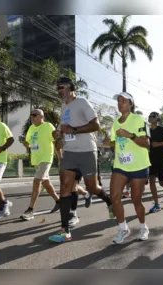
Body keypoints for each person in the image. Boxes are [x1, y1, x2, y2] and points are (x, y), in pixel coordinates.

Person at [49, 77, 113, 243]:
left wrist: (74, 130)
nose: (59, 90)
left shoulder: (82, 102)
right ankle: (65, 230)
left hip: (86, 151)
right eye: (57, 88)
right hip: (69, 152)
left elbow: (96, 125)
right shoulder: (64, 106)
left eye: (61, 87)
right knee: (65, 187)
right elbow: (61, 130)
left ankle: (109, 201)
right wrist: (57, 134)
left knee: (92, 187)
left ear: (71, 87)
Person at [106, 92, 151, 244]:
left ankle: (143, 226)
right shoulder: (115, 123)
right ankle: (123, 229)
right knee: (115, 197)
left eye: (123, 101)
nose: (120, 103)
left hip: (139, 165)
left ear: (131, 103)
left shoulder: (139, 119)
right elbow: (113, 142)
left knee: (136, 199)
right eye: (118, 101)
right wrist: (107, 141)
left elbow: (147, 143)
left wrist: (129, 135)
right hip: (121, 164)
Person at [19, 109, 61, 221]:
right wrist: (24, 142)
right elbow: (28, 144)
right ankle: (59, 201)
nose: (32, 117)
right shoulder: (31, 128)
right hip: (36, 159)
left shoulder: (48, 126)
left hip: (46, 158)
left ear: (41, 116)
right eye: (31, 115)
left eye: (34, 115)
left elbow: (55, 142)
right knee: (46, 183)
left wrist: (61, 158)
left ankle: (30, 210)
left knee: (37, 180)